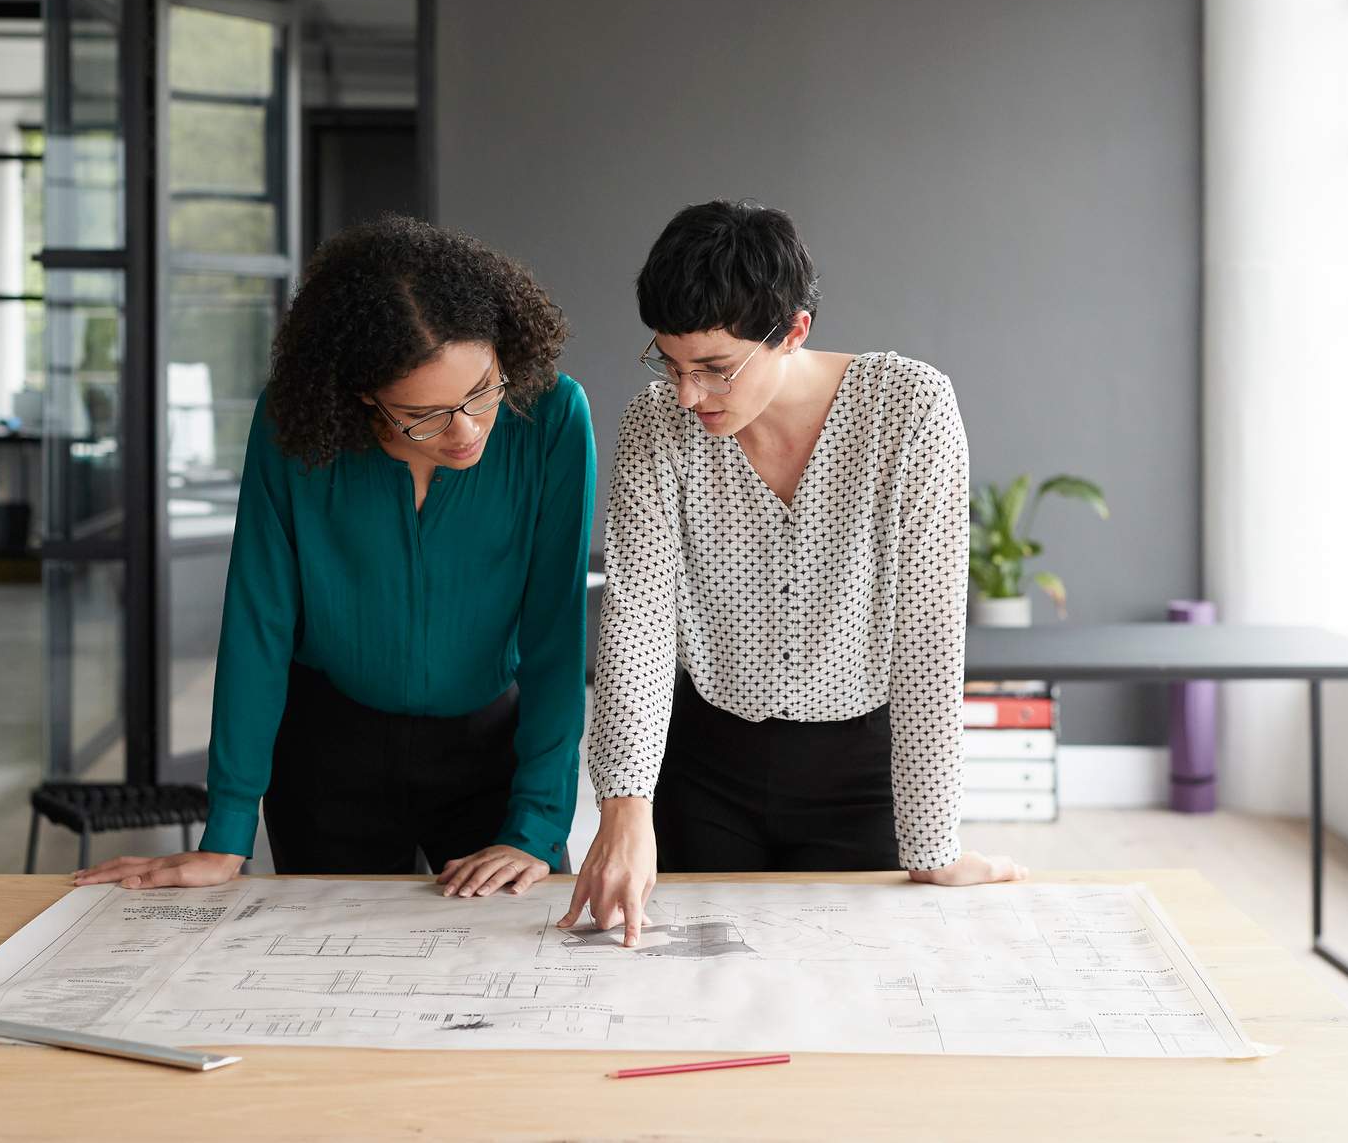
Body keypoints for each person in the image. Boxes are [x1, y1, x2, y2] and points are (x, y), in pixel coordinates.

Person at [75, 216, 595, 898]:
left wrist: (534, 825)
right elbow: (259, 621)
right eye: (426, 413)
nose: (466, 430)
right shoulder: (291, 429)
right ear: (363, 397)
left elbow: (557, 638)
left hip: (492, 751)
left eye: (481, 391)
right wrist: (226, 832)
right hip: (328, 753)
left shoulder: (553, 417)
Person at [562, 201, 1025, 945]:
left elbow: (928, 637)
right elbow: (638, 623)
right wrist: (622, 808)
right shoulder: (656, 424)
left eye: (714, 369)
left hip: (860, 771)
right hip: (704, 763)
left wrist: (933, 846)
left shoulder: (908, 408)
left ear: (794, 330)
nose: (688, 395)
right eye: (669, 364)